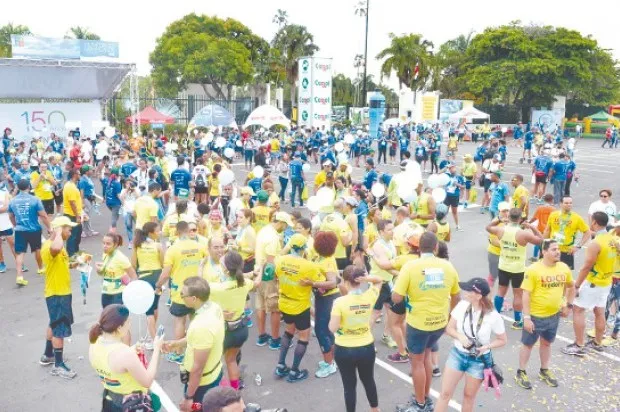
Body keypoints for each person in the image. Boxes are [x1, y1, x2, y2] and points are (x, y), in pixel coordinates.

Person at [392, 232, 461, 412]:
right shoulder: (448, 266)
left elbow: (397, 298)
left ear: (418, 248)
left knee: (417, 362)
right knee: (427, 358)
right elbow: (456, 295)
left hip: (418, 323)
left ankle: (420, 403)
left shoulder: (410, 266)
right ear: (436, 247)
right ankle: (425, 397)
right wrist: (450, 317)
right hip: (439, 322)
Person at [435, 278, 507, 412]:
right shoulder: (462, 305)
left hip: (479, 360)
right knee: (445, 394)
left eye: (469, 290)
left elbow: (502, 339)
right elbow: (449, 328)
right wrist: (459, 336)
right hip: (457, 354)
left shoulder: (493, 315)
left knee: (468, 397)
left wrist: (487, 346)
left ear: (479, 296)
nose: (465, 292)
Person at [515, 239, 575, 390]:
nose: (558, 252)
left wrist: (568, 305)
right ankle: (521, 372)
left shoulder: (563, 268)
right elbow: (526, 294)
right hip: (536, 316)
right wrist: (527, 317)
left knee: (547, 343)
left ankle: (544, 370)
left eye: (558, 249)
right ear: (544, 252)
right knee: (528, 344)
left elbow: (571, 286)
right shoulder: (534, 270)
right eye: (554, 249)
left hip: (554, 315)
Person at [164, 277, 225, 411]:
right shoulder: (214, 307)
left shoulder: (201, 326)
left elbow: (197, 369)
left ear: (194, 298)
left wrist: (189, 397)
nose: (181, 297)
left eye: (182, 295)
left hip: (201, 385)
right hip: (213, 373)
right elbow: (199, 340)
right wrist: (176, 344)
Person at [273, 233, 326, 383]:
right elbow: (321, 283)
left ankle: (281, 365)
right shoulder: (308, 265)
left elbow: (277, 275)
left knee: (289, 331)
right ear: (304, 248)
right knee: (303, 337)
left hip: (284, 302)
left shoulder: (280, 260)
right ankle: (295, 371)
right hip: (300, 305)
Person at [89, 304, 163, 411]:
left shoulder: (94, 343)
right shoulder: (124, 353)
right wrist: (157, 349)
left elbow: (110, 362)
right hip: (131, 404)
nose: (130, 325)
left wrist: (131, 350)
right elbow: (147, 381)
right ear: (119, 328)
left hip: (110, 400)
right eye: (128, 322)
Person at [329, 265, 382, 412]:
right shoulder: (369, 295)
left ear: (345, 282)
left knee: (349, 385)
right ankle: (375, 409)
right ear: (360, 280)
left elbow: (332, 328)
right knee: (368, 380)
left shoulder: (339, 303)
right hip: (366, 347)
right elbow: (379, 280)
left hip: (344, 349)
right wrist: (367, 278)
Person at [564, 212, 616, 356]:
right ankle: (597, 342)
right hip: (606, 282)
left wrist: (576, 285)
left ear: (594, 223)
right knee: (599, 311)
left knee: (578, 309)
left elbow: (586, 266)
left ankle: (579, 345)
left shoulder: (596, 243)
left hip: (594, 282)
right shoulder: (612, 239)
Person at [209, 251, 261, 390]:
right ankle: (235, 390)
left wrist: (201, 269)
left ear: (225, 269)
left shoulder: (217, 288)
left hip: (223, 331)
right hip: (240, 329)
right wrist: (260, 270)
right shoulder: (245, 283)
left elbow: (198, 289)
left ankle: (219, 392)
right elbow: (257, 283)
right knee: (231, 361)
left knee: (214, 363)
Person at [156, 221, 206, 364]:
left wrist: (158, 285)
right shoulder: (200, 246)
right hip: (198, 289)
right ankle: (198, 349)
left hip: (181, 293)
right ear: (188, 231)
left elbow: (166, 274)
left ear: (177, 232)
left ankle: (179, 353)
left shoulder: (172, 249)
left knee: (180, 322)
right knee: (195, 321)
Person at [487, 208, 543, 329]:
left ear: (509, 217)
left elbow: (488, 227)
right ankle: (517, 321)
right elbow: (540, 240)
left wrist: (499, 219)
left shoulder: (501, 229)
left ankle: (495, 317)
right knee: (518, 294)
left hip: (503, 265)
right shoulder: (524, 233)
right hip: (517, 268)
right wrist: (531, 226)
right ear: (519, 219)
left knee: (501, 291)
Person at [40, 216, 79, 379]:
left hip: (60, 292)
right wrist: (56, 232)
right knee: (59, 329)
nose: (70, 232)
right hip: (57, 294)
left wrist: (71, 264)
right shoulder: (52, 245)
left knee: (54, 322)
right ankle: (58, 364)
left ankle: (48, 354)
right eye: (68, 229)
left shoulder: (59, 246)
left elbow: (58, 260)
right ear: (59, 229)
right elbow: (55, 249)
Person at [254, 212, 293, 350]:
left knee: (261, 306)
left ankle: (262, 335)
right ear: (281, 222)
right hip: (269, 276)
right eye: (286, 224)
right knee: (275, 309)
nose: (286, 227)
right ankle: (275, 339)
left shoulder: (264, 230)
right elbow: (271, 261)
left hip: (258, 272)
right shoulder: (273, 238)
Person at [8, 178, 51, 286]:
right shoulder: (35, 199)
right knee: (37, 249)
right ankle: (40, 268)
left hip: (20, 230)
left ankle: (19, 276)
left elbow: (11, 216)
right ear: (28, 187)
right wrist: (49, 227)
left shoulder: (12, 200)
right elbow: (43, 215)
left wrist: (15, 225)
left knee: (19, 253)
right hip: (34, 229)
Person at [132, 222, 164, 348]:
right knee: (155, 307)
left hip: (144, 279)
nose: (160, 232)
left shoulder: (137, 245)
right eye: (158, 230)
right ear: (151, 232)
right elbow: (163, 263)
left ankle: (153, 341)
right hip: (157, 279)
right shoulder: (158, 246)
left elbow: (133, 264)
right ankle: (152, 336)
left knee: (149, 311)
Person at [543, 196, 592, 271]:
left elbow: (587, 232)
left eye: (570, 203)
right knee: (549, 273)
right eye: (566, 203)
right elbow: (547, 230)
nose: (569, 205)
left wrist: (578, 246)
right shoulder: (553, 215)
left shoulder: (576, 218)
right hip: (552, 249)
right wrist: (544, 245)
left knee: (564, 276)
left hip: (567, 251)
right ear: (561, 204)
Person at [96, 233, 137, 311]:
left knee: (116, 320)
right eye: (103, 243)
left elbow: (133, 276)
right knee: (107, 318)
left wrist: (131, 292)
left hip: (118, 294)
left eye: (108, 244)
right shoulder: (105, 254)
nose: (105, 246)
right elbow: (104, 274)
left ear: (115, 245)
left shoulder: (121, 258)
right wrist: (99, 271)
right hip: (105, 291)